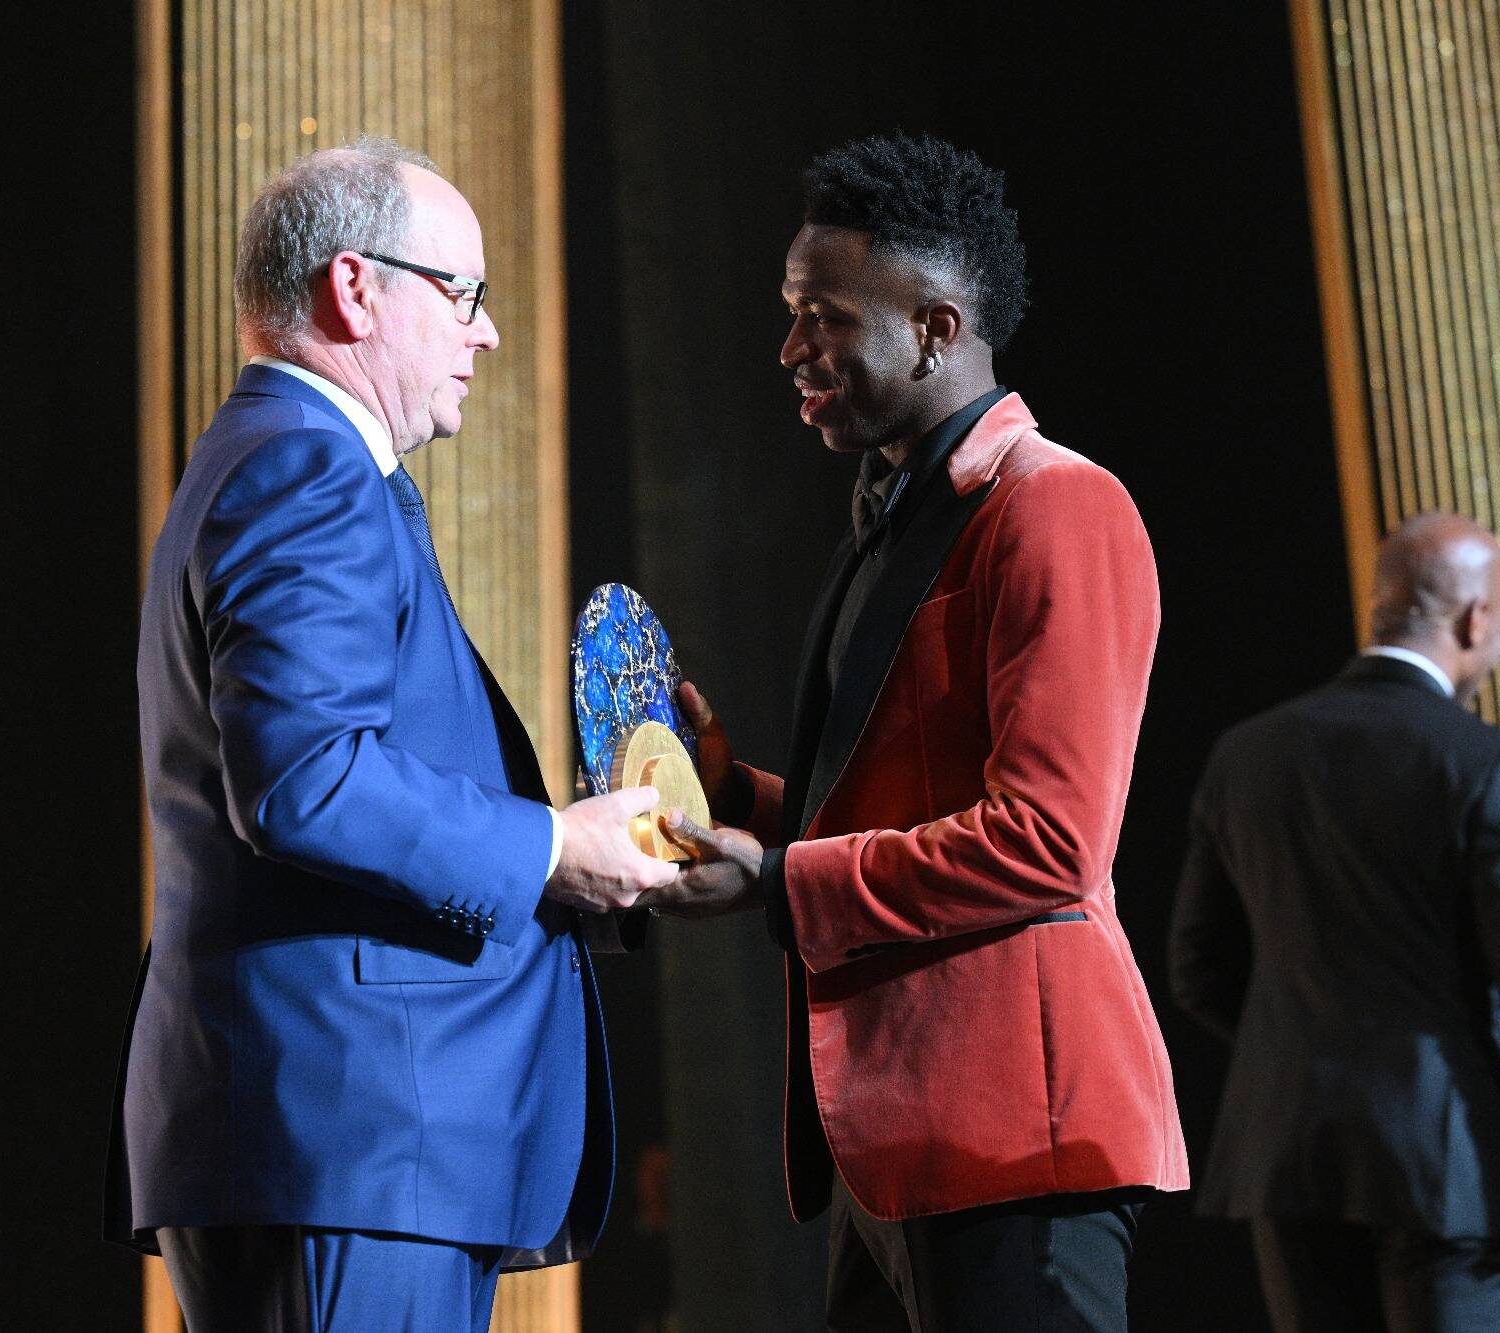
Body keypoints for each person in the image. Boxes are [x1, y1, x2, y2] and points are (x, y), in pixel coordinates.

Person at [102, 138, 677, 1333]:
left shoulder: (272, 459)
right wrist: (548, 849)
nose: (485, 334)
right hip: (344, 1133)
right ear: (355, 288)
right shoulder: (306, 469)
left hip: (336, 1143)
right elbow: (307, 779)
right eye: (461, 295)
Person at [645, 132, 1188, 1332]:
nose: (790, 348)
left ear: (935, 330)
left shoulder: (1057, 505)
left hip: (1014, 1143)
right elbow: (901, 811)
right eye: (791, 314)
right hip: (896, 1142)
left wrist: (780, 881)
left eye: (819, 317)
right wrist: (740, 799)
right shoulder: (898, 517)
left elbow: (1048, 843)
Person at [1169, 512, 1500, 1331]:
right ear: (1478, 618)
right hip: (1448, 1172)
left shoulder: (1246, 754)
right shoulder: (1489, 767)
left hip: (1286, 1160)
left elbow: (1198, 966)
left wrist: (1309, 1044)